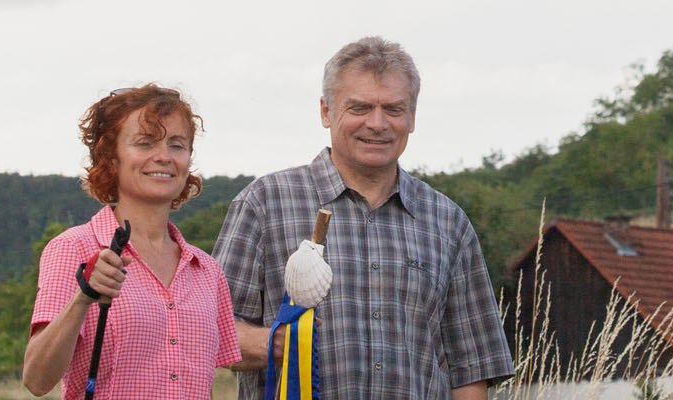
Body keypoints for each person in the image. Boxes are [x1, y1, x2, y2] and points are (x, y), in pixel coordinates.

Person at [213, 36, 513, 399]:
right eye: (359, 108)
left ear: (412, 117)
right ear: (326, 111)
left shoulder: (448, 223)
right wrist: (282, 344)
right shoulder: (264, 203)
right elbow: (211, 329)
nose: (377, 123)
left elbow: (471, 370)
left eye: (393, 109)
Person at [23, 84, 241, 399]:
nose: (164, 157)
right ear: (111, 159)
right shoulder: (73, 248)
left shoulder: (208, 271)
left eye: (177, 145)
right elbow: (36, 380)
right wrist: (84, 298)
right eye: (145, 143)